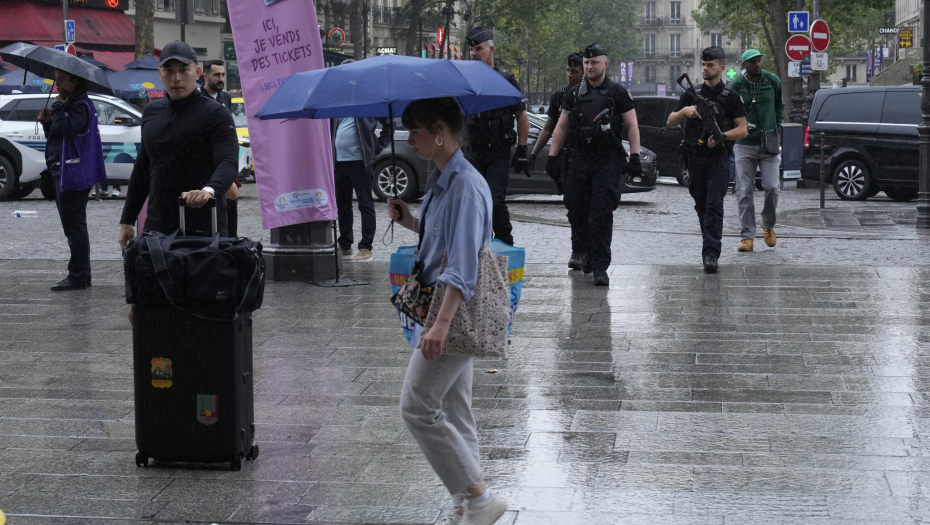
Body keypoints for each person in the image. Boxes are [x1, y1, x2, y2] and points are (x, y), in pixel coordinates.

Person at [387, 97, 508, 525]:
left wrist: (439, 325)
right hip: (445, 306)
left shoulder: (466, 185)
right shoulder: (444, 179)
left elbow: (463, 263)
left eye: (415, 132)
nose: (410, 141)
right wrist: (411, 221)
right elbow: (442, 236)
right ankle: (468, 505)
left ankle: (479, 497)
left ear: (439, 130)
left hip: (453, 310)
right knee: (455, 408)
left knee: (417, 406)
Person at [118, 40, 238, 250]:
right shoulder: (152, 112)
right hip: (158, 225)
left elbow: (228, 162)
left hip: (204, 227)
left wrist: (209, 190)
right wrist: (127, 220)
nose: (176, 78)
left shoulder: (216, 113)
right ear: (160, 74)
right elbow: (143, 168)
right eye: (169, 70)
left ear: (198, 72)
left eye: (183, 70)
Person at [546, 43, 642, 287]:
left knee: (601, 213)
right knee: (575, 209)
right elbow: (561, 126)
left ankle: (600, 267)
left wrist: (635, 155)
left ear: (605, 64)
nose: (589, 66)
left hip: (607, 159)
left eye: (594, 62)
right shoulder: (573, 94)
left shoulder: (617, 92)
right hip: (579, 158)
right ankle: (588, 251)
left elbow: (632, 125)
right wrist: (552, 156)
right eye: (586, 63)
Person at [666, 46, 748, 273]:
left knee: (714, 204)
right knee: (701, 204)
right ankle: (709, 242)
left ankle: (711, 253)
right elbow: (670, 121)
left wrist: (723, 137)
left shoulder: (731, 97)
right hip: (694, 158)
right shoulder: (691, 94)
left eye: (710, 65)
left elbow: (742, 130)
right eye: (703, 65)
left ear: (721, 68)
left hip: (719, 158)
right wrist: (685, 111)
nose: (705, 69)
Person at [38, 69, 107, 291]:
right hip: (64, 169)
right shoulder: (72, 103)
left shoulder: (81, 105)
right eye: (56, 79)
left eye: (61, 80)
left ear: (75, 81)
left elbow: (67, 129)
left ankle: (78, 275)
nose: (57, 84)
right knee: (74, 225)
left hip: (72, 173)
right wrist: (47, 122)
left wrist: (57, 108)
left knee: (74, 227)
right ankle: (81, 275)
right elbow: (57, 135)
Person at [464, 26, 530, 246]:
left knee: (494, 200)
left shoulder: (506, 79)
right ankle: (479, 246)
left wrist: (522, 149)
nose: (473, 53)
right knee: (474, 204)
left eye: (478, 49)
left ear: (491, 49)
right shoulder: (466, 80)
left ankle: (504, 242)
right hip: (472, 152)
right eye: (471, 50)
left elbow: (521, 116)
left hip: (497, 152)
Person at [330, 59, 392, 261]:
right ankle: (345, 244)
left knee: (365, 204)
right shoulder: (337, 100)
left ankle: (366, 247)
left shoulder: (368, 99)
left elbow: (388, 124)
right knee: (343, 205)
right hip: (339, 162)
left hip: (361, 162)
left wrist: (377, 148)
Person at [529, 51, 584, 270]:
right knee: (573, 204)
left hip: (589, 157)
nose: (569, 75)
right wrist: (534, 154)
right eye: (568, 70)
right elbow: (549, 127)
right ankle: (577, 249)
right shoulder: (560, 95)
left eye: (574, 71)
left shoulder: (596, 94)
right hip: (567, 158)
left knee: (592, 207)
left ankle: (590, 248)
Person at [730, 49, 784, 252]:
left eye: (759, 60)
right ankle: (747, 236)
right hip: (744, 144)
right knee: (744, 190)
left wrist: (776, 126)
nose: (757, 64)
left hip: (769, 143)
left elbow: (779, 105)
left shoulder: (772, 81)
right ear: (744, 64)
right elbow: (729, 112)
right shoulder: (736, 86)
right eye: (752, 61)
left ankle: (767, 224)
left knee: (772, 187)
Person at [200, 59, 240, 234]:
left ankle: (231, 237)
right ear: (205, 76)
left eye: (223, 75)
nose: (221, 78)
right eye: (216, 75)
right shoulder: (199, 98)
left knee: (231, 197)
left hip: (224, 155)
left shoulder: (225, 97)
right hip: (208, 158)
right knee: (225, 195)